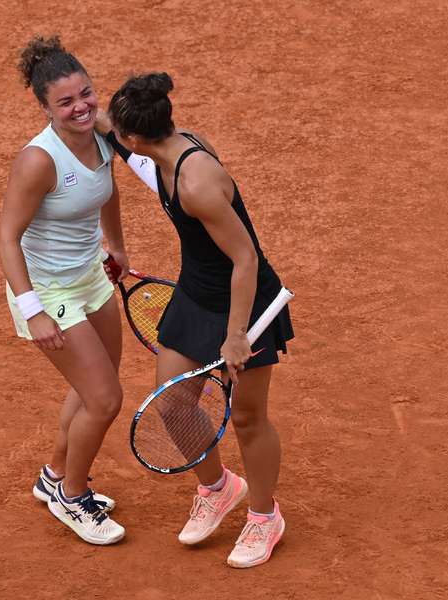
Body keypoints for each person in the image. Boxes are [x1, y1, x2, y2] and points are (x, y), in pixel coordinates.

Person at [98, 73, 294, 567]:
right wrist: (80, 114)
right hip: (195, 294)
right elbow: (119, 143)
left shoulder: (197, 182)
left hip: (245, 303)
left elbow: (246, 259)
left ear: (135, 136)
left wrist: (235, 336)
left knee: (248, 419)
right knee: (173, 404)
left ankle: (265, 517)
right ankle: (218, 487)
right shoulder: (159, 151)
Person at [0, 35, 130, 545]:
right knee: (104, 399)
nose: (82, 107)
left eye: (86, 93)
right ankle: (73, 498)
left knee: (94, 385)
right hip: (46, 289)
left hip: (90, 275)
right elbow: (7, 236)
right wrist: (33, 310)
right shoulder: (38, 161)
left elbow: (108, 187)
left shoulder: (101, 133)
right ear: (46, 108)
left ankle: (53, 476)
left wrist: (114, 246)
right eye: (66, 102)